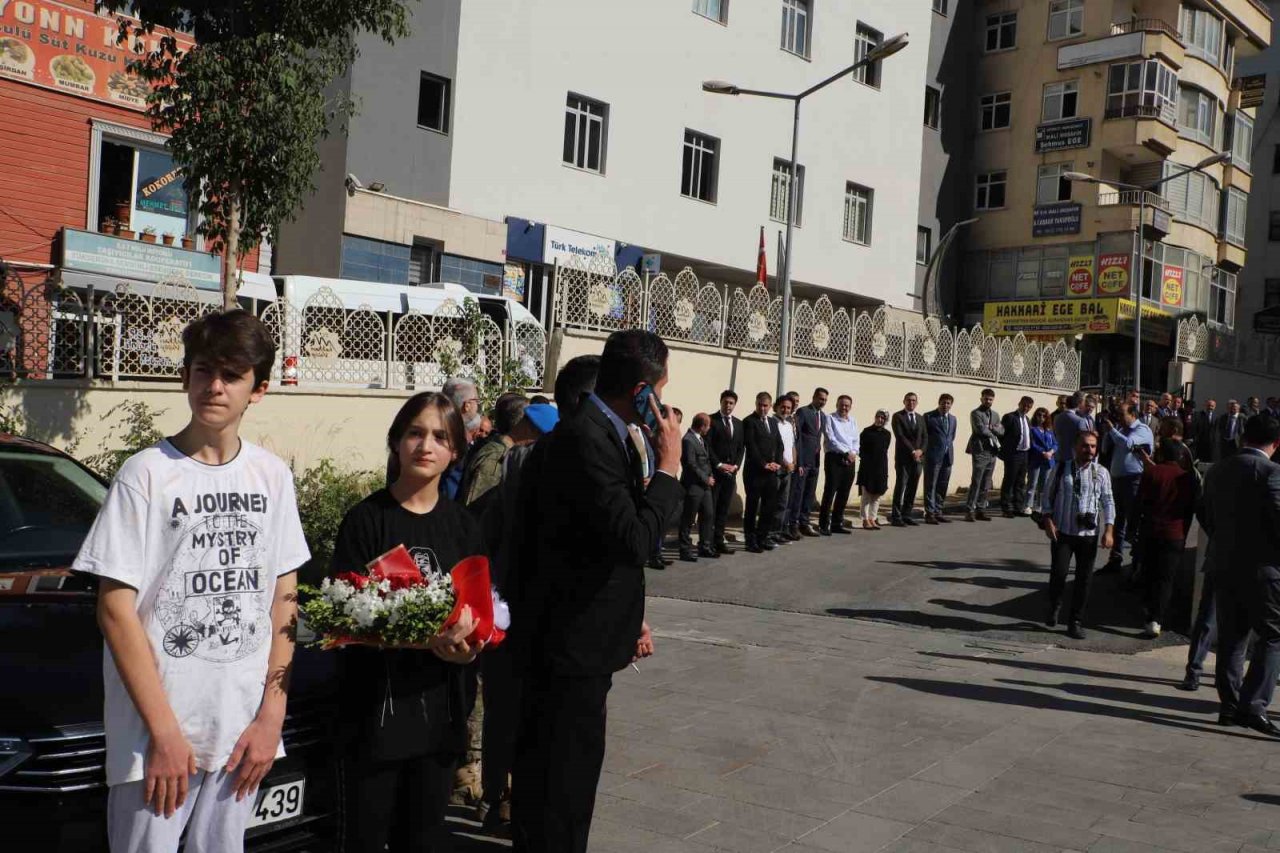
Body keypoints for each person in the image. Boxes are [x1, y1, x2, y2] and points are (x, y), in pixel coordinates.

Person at [73, 311, 311, 853]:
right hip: (156, 740)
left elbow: (285, 599)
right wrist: (162, 733)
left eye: (233, 374)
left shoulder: (271, 476)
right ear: (185, 377)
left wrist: (271, 717)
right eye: (203, 371)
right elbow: (115, 609)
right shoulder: (147, 474)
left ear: (259, 388)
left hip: (241, 734)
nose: (215, 386)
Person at [511, 330, 684, 852]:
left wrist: (632, 614)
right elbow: (634, 538)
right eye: (659, 389)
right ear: (640, 392)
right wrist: (670, 469)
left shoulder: (603, 433)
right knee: (564, 780)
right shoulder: (586, 439)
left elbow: (597, 542)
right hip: (570, 642)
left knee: (561, 773)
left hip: (584, 630)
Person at [328, 393, 487, 852]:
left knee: (423, 840)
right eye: (415, 433)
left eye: (440, 436)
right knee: (364, 838)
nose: (426, 445)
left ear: (455, 450)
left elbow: (479, 611)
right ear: (396, 442)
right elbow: (342, 618)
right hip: (376, 716)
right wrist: (421, 639)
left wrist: (471, 645)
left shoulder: (464, 526)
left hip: (440, 716)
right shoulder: (365, 521)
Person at [476, 401, 557, 831]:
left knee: (504, 714)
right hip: (511, 624)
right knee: (511, 714)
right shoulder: (504, 506)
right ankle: (501, 796)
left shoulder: (502, 506)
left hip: (508, 624)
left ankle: (500, 796)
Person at [1197, 414, 1280, 736]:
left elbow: (1203, 511)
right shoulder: (1270, 473)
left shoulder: (1218, 469)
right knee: (1272, 636)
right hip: (1263, 570)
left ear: (1244, 436)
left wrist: (1222, 539)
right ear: (1276, 443)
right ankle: (1253, 705)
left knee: (1232, 639)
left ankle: (1229, 707)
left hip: (1223, 564)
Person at [1040, 430, 1116, 640]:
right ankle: (1054, 605)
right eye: (1085, 446)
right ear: (1075, 447)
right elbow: (1046, 496)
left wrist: (1109, 530)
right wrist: (1047, 520)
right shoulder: (1061, 468)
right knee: (1059, 573)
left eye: (1093, 446)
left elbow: (1108, 501)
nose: (1089, 450)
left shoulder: (1101, 472)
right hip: (1063, 532)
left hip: (1088, 535)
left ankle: (1075, 621)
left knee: (1084, 580)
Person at [1135, 435, 1197, 639]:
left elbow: (1140, 502)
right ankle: (1157, 618)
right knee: (1166, 579)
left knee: (1149, 573)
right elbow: (1190, 509)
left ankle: (1147, 611)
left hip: (1151, 530)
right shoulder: (1187, 477)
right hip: (1175, 533)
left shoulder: (1152, 472)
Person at [1099, 403, 1154, 574]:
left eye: (1122, 414)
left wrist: (1113, 431)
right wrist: (1108, 432)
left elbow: (1129, 445)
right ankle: (1115, 559)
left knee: (1134, 523)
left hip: (1134, 481)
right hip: (1118, 480)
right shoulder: (1120, 429)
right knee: (1117, 521)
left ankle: (1139, 564)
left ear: (1132, 414)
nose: (1119, 418)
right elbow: (1106, 449)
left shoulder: (1142, 430)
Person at [461, 393, 530, 512]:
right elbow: (475, 509)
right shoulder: (495, 458)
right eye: (529, 419)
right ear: (520, 423)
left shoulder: (507, 452)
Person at [742, 391, 784, 553]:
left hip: (771, 473)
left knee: (769, 507)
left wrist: (777, 463)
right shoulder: (749, 421)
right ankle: (750, 540)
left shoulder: (773, 422)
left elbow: (779, 445)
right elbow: (751, 446)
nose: (762, 408)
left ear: (770, 406)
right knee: (752, 507)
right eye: (760, 405)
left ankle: (763, 537)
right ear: (756, 404)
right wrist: (764, 464)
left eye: (765, 405)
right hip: (755, 472)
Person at [707, 390, 745, 554]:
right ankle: (707, 542)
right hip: (716, 473)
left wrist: (736, 465)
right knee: (711, 509)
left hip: (731, 474)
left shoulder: (738, 423)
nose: (728, 405)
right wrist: (719, 464)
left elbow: (741, 448)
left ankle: (719, 539)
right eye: (726, 402)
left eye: (731, 403)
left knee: (724, 509)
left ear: (735, 405)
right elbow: (708, 446)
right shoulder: (711, 420)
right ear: (720, 402)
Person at [678, 413, 718, 562]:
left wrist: (710, 476)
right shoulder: (688, 440)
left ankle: (705, 546)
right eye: (708, 426)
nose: (709, 429)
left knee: (708, 514)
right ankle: (684, 549)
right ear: (702, 426)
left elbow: (706, 461)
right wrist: (705, 478)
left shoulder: (701, 439)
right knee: (688, 518)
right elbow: (690, 464)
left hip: (705, 487)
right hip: (694, 485)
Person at [789, 388, 828, 537]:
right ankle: (793, 524)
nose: (822, 402)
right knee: (798, 493)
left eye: (824, 400)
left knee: (809, 494)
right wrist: (799, 461)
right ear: (814, 397)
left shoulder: (823, 416)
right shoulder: (803, 412)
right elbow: (797, 437)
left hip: (815, 461)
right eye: (820, 398)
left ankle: (804, 523)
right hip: (803, 461)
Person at [819, 394, 859, 535]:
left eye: (847, 405)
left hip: (850, 460)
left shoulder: (853, 421)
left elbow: (856, 440)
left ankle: (837, 523)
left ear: (850, 407)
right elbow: (831, 438)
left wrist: (853, 453)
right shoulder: (830, 418)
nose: (844, 408)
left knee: (844, 492)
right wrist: (846, 452)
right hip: (834, 458)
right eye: (841, 405)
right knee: (830, 491)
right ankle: (824, 524)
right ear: (837, 405)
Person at [965, 388, 1004, 522]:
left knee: (986, 482)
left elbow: (1002, 430)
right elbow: (980, 429)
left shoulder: (995, 414)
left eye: (990, 399)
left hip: (992, 451)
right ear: (981, 398)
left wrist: (994, 428)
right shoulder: (975, 413)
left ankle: (981, 509)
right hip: (980, 450)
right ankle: (970, 509)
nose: (988, 401)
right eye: (986, 398)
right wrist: (993, 429)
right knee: (976, 481)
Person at [441, 377, 483, 500]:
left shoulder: (437, 429)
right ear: (467, 405)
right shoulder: (456, 440)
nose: (478, 406)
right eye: (476, 400)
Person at [890, 392, 927, 527]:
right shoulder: (898, 416)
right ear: (904, 401)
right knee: (901, 487)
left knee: (912, 487)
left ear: (916, 403)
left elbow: (925, 437)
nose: (911, 403)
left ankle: (907, 514)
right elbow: (900, 436)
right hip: (904, 459)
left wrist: (921, 451)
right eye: (909, 400)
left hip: (918, 459)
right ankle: (896, 516)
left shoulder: (920, 418)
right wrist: (912, 451)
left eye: (913, 400)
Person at [923, 394, 957, 524]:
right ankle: (929, 513)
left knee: (942, 485)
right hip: (933, 456)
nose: (946, 405)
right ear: (939, 403)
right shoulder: (929, 416)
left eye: (948, 403)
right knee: (930, 485)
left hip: (948, 457)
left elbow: (951, 436)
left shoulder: (953, 419)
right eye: (943, 403)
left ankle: (938, 510)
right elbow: (925, 436)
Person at [998, 396, 1034, 518]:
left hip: (1024, 454)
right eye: (1024, 405)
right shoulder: (1010, 417)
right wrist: (1006, 450)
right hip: (1013, 454)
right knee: (1009, 481)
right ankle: (1006, 507)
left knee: (1020, 482)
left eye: (1029, 406)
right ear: (1019, 404)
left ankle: (1018, 507)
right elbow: (1001, 434)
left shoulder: (1027, 420)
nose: (1026, 408)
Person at [857, 410, 892, 530]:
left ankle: (873, 518)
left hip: (881, 467)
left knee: (877, 495)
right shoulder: (866, 432)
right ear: (875, 417)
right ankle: (865, 519)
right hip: (867, 466)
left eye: (883, 418)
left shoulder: (887, 434)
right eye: (878, 417)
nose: (880, 420)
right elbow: (860, 449)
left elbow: (884, 449)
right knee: (866, 495)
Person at [771, 395, 798, 544]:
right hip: (777, 468)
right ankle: (769, 532)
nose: (785, 410)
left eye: (788, 408)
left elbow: (792, 445)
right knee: (773, 502)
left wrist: (794, 462)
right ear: (776, 406)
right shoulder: (772, 423)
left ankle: (778, 531)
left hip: (788, 469)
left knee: (782, 503)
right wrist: (785, 462)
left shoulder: (788, 425)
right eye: (783, 407)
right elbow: (775, 448)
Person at [1026, 407, 1058, 516]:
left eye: (1044, 416)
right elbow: (1032, 444)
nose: (1041, 418)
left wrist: (1051, 452)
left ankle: (1039, 505)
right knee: (1032, 483)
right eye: (1039, 415)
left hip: (1049, 460)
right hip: (1036, 459)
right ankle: (1028, 505)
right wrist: (1043, 452)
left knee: (1044, 485)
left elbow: (1055, 444)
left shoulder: (1049, 430)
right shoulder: (1032, 429)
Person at [1053, 393, 1095, 461]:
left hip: (1059, 454)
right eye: (1084, 402)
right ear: (1079, 404)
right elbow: (1084, 440)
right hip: (1073, 457)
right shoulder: (1080, 421)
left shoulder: (1057, 417)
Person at [1191, 399, 1218, 464]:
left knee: (1209, 461)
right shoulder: (1198, 415)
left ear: (1214, 407)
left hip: (1211, 443)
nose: (1210, 407)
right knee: (1199, 460)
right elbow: (1194, 428)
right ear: (1205, 406)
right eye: (1208, 405)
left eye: (1212, 406)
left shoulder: (1216, 417)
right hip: (1200, 442)